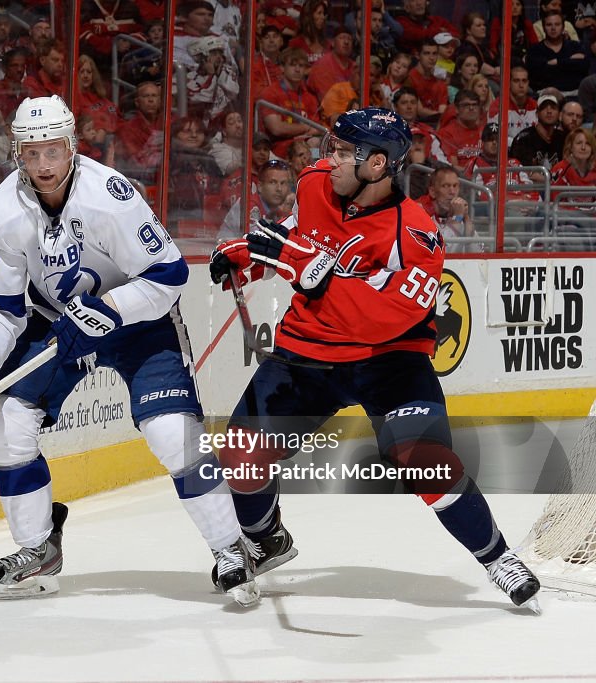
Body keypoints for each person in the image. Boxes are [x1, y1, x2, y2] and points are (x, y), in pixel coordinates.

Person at [207, 107, 542, 611]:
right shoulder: (316, 182)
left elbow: (381, 320)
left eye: (344, 153)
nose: (330, 160)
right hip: (308, 355)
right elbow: (295, 237)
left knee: (426, 464)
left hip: (389, 364)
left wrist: (307, 268)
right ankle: (266, 537)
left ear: (379, 164)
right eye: (333, 149)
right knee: (241, 455)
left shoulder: (416, 234)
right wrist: (247, 257)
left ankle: (498, 557)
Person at [0, 95, 261, 604]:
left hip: (140, 323)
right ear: (16, 154)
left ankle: (231, 548)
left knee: (172, 433)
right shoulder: (0, 212)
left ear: (72, 147)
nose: (43, 165)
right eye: (31, 153)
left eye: (53, 151)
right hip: (57, 325)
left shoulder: (111, 196)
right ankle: (37, 550)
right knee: (5, 421)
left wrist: (109, 310)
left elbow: (168, 276)